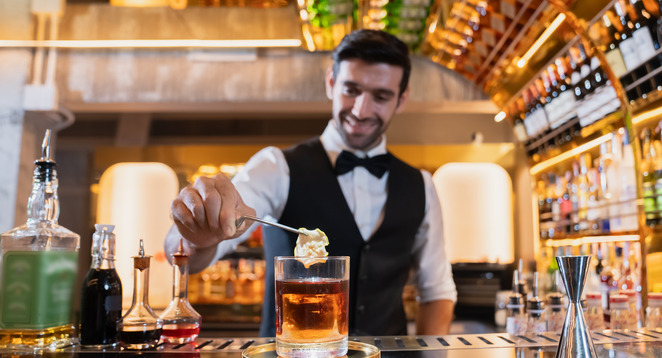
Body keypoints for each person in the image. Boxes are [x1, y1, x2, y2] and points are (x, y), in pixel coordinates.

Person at [165, 29, 457, 337]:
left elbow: (437, 290)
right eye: (351, 90)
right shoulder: (277, 167)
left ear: (402, 98)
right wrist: (199, 232)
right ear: (331, 83)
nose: (361, 110)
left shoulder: (421, 185)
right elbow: (186, 252)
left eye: (381, 97)